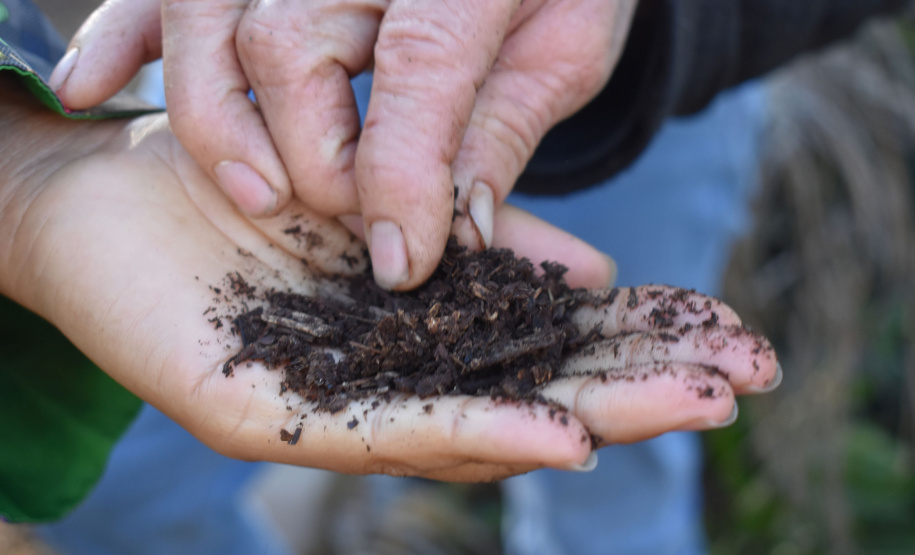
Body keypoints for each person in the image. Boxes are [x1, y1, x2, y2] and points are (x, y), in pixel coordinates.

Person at [0, 0, 777, 530]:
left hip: (640, 86)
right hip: (266, 47)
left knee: (618, 476)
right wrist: (20, 160)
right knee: (128, 491)